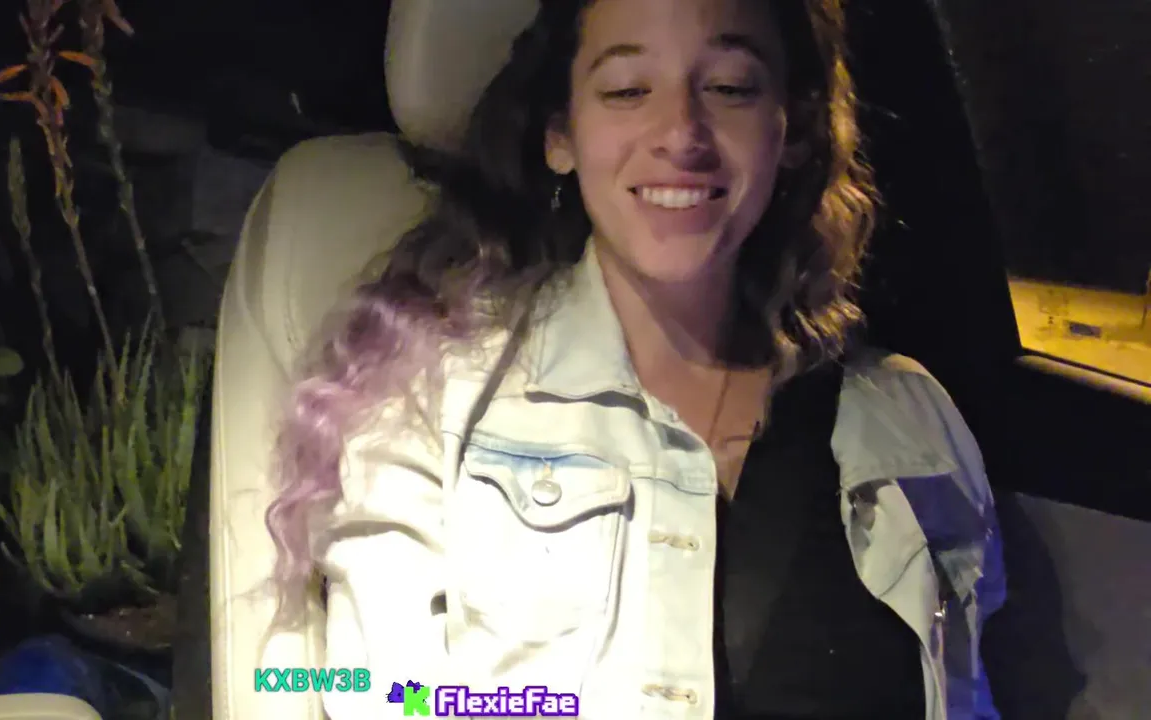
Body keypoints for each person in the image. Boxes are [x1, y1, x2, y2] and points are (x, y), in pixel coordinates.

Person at [267, 0, 1006, 717]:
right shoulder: (428, 400)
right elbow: (390, 696)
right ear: (561, 132)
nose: (681, 133)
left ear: (793, 130)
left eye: (730, 88)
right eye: (626, 90)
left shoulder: (911, 421)